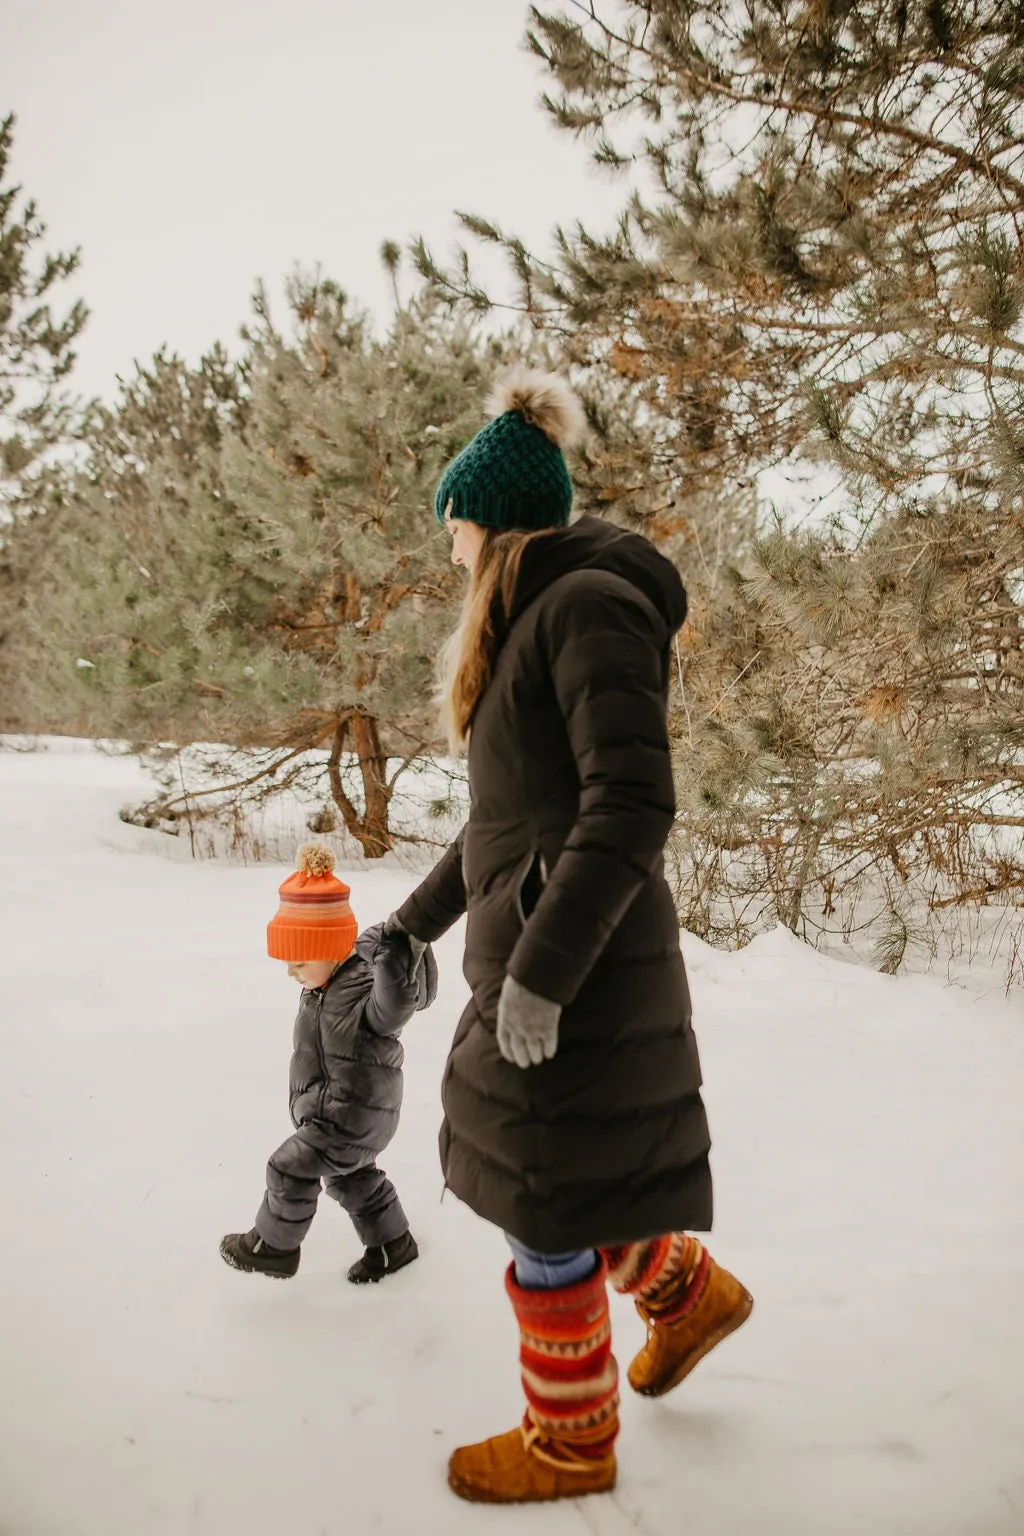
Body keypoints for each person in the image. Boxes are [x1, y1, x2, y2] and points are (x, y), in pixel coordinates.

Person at [386, 368, 753, 1503]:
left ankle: (570, 1440)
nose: (446, 545)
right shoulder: (530, 618)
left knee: (538, 1192)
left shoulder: (583, 607)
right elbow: (505, 820)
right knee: (551, 1172)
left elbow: (630, 804)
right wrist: (409, 925)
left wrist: (540, 977)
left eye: (453, 521)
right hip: (541, 944)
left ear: (486, 519)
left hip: (576, 961)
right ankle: (687, 1293)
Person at [220, 842, 436, 1284]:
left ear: (332, 947)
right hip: (343, 1115)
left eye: (299, 962)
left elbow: (397, 1003)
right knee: (352, 1181)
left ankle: (273, 1248)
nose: (291, 973)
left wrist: (392, 953)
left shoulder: (363, 990)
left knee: (289, 1166)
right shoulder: (323, 987)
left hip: (349, 1117)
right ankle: (394, 1246)